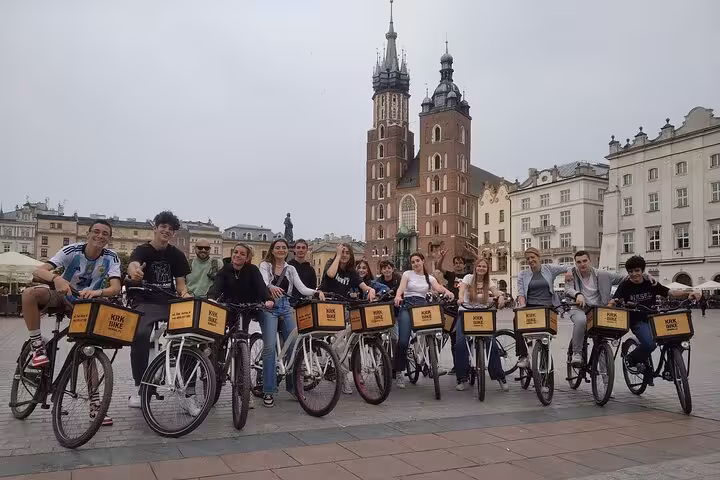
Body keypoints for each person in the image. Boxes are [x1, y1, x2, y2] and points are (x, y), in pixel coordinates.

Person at [21, 219, 121, 426]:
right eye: (96, 232)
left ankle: (95, 404)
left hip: (85, 304)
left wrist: (96, 292)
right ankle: (37, 344)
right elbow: (38, 271)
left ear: (109, 238)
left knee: (88, 352)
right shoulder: (72, 250)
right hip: (63, 296)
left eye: (105, 234)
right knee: (30, 294)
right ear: (88, 233)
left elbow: (115, 288)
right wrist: (56, 279)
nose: (100, 236)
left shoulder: (111, 257)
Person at [125, 211, 192, 411]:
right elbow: (134, 265)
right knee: (141, 334)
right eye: (163, 226)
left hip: (168, 301)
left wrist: (185, 294)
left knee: (189, 336)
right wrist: (135, 272)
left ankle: (189, 390)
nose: (167, 231)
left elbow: (181, 285)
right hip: (145, 300)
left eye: (170, 229)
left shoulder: (177, 255)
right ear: (155, 228)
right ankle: (140, 386)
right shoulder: (142, 250)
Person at [609, 255, 700, 377]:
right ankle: (631, 359)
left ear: (642, 271)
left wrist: (688, 294)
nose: (634, 274)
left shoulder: (650, 283)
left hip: (655, 319)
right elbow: (614, 299)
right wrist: (610, 305)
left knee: (680, 339)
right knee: (650, 344)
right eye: (630, 271)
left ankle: (670, 367)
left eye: (637, 270)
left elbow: (670, 293)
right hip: (637, 321)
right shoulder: (625, 285)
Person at [208, 243, 274, 409]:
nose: (238, 255)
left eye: (242, 254)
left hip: (245, 310)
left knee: (242, 345)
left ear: (247, 257)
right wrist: (212, 297)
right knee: (219, 340)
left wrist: (268, 299)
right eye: (236, 252)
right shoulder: (225, 270)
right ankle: (216, 369)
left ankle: (243, 392)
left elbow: (261, 287)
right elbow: (216, 286)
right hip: (227, 309)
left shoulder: (252, 271)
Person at [259, 238, 324, 407]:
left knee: (295, 344)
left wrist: (316, 292)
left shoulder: (291, 269)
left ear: (287, 251)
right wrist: (270, 287)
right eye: (278, 247)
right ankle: (269, 390)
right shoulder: (265, 265)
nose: (281, 250)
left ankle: (293, 386)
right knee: (269, 347)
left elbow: (301, 288)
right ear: (272, 250)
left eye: (284, 247)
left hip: (285, 306)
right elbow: (263, 282)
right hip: (269, 307)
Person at [564, 250, 638, 366]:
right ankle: (577, 353)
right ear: (575, 263)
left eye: (585, 261)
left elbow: (625, 278)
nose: (582, 264)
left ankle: (605, 376)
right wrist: (578, 294)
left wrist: (644, 275)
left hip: (599, 310)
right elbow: (568, 289)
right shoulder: (571, 274)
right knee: (581, 321)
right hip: (579, 309)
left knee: (601, 340)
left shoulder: (603, 275)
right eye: (579, 262)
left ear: (590, 261)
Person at [319, 244, 376, 394]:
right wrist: (337, 255)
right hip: (327, 306)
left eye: (346, 253)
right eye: (342, 252)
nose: (344, 255)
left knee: (348, 337)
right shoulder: (332, 264)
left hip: (342, 308)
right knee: (341, 344)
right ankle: (343, 377)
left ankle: (343, 367)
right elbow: (330, 275)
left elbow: (364, 286)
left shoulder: (351, 273)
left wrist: (371, 290)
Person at [394, 252, 455, 389]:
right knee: (403, 341)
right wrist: (398, 296)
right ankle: (399, 371)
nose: (415, 264)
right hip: (408, 306)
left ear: (423, 261)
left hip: (422, 307)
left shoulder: (429, 278)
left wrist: (447, 292)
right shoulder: (407, 274)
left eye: (417, 261)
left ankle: (433, 363)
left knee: (435, 334)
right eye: (413, 262)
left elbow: (438, 287)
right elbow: (402, 288)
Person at [455, 258, 507, 392]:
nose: (481, 268)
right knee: (460, 343)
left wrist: (500, 297)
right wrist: (460, 298)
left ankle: (500, 377)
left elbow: (495, 292)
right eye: (479, 266)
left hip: (484, 315)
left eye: (484, 266)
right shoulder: (468, 277)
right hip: (466, 313)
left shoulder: (488, 281)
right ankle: (462, 378)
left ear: (487, 269)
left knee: (492, 343)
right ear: (475, 267)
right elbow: (461, 290)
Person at [515, 247, 569, 369]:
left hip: (548, 307)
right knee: (517, 321)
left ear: (539, 257)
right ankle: (523, 355)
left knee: (545, 337)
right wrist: (522, 305)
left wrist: (569, 272)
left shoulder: (549, 269)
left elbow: (569, 267)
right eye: (528, 258)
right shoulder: (523, 275)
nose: (530, 260)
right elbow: (521, 293)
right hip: (530, 306)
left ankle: (545, 366)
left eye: (533, 257)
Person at [436, 250, 467, 374]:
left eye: (460, 263)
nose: (458, 265)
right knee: (453, 338)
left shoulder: (469, 275)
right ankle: (456, 366)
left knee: (462, 339)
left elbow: (482, 265)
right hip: (451, 309)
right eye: (456, 263)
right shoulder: (451, 275)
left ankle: (465, 364)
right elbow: (439, 268)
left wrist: (476, 255)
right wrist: (442, 257)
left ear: (464, 265)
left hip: (465, 308)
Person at [288, 239, 316, 304]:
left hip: (304, 304)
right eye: (298, 247)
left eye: (303, 248)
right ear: (294, 250)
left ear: (306, 250)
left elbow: (312, 288)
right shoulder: (288, 266)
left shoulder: (311, 269)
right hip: (289, 303)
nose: (301, 250)